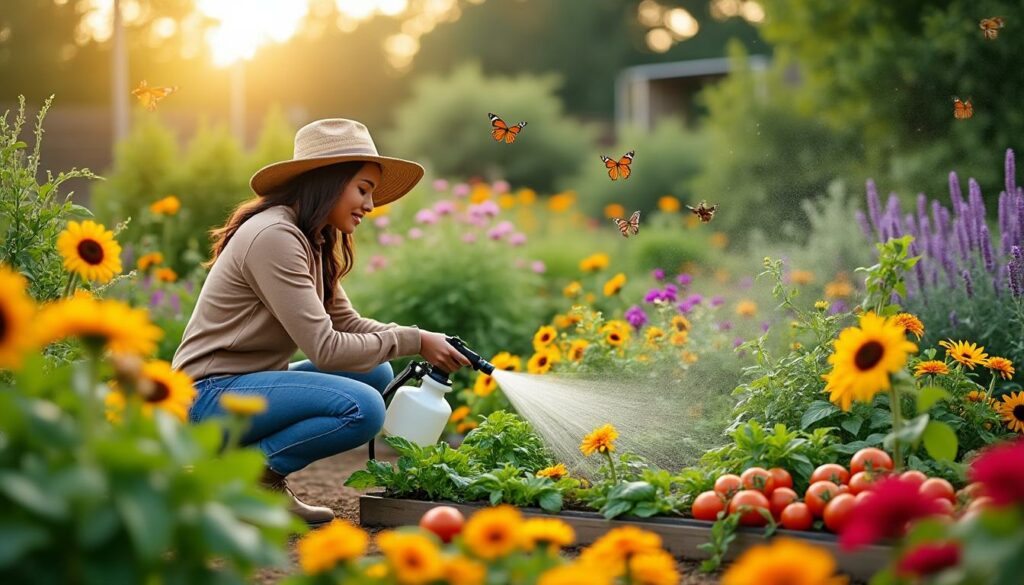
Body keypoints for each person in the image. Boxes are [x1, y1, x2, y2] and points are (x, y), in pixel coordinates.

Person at [172, 119, 471, 526]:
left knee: (375, 372)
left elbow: (346, 323)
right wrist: (415, 340)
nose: (371, 205)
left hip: (241, 387)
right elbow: (325, 348)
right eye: (363, 189)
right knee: (363, 407)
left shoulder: (311, 237)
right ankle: (253, 479)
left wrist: (422, 338)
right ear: (329, 182)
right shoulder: (274, 236)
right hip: (206, 398)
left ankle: (244, 472)